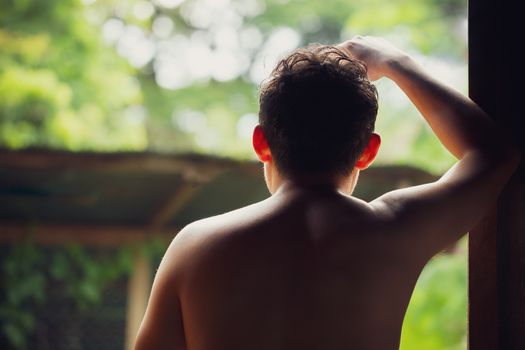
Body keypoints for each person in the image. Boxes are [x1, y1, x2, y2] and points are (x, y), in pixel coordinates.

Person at [134, 36, 520, 350]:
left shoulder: (196, 246)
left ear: (260, 143)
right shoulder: (395, 229)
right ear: (368, 151)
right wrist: (393, 62)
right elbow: (494, 154)